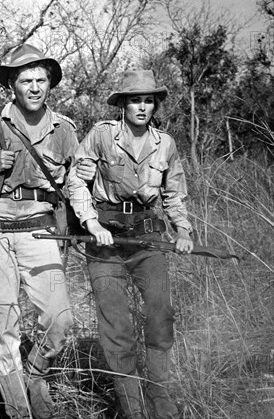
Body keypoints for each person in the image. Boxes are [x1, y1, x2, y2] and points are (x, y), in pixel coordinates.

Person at [0, 44, 94, 419]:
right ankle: (17, 410)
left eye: (41, 80)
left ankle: (36, 373)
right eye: (26, 80)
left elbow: (76, 180)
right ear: (12, 85)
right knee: (3, 325)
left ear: (50, 84)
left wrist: (87, 212)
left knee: (59, 319)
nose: (34, 87)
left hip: (40, 229)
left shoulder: (64, 129)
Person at [67, 70, 194, 419]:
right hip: (105, 239)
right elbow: (76, 181)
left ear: (155, 105)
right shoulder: (102, 135)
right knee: (116, 327)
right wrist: (90, 222)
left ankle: (160, 390)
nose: (142, 106)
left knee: (160, 314)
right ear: (122, 103)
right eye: (135, 99)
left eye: (148, 100)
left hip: (147, 238)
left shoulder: (164, 143)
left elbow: (173, 193)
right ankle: (132, 406)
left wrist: (182, 231)